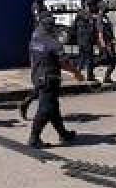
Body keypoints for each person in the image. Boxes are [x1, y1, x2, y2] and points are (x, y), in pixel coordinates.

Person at [27, 11, 83, 148]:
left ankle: (63, 134)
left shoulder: (34, 39)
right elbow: (64, 63)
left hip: (38, 77)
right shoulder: (54, 44)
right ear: (51, 27)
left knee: (53, 108)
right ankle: (34, 138)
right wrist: (76, 73)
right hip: (49, 79)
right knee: (46, 109)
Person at [94, 2, 116, 85]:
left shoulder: (105, 17)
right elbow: (100, 32)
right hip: (105, 42)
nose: (107, 8)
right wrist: (103, 44)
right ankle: (91, 66)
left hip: (109, 42)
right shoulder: (100, 17)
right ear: (101, 8)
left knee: (112, 60)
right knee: (109, 60)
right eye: (105, 7)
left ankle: (107, 77)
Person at [73, 0, 96, 83]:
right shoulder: (85, 14)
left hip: (81, 39)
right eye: (90, 6)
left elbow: (74, 27)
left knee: (82, 57)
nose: (91, 7)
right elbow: (90, 24)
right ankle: (89, 76)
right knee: (89, 58)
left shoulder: (80, 14)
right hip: (86, 39)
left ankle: (78, 74)